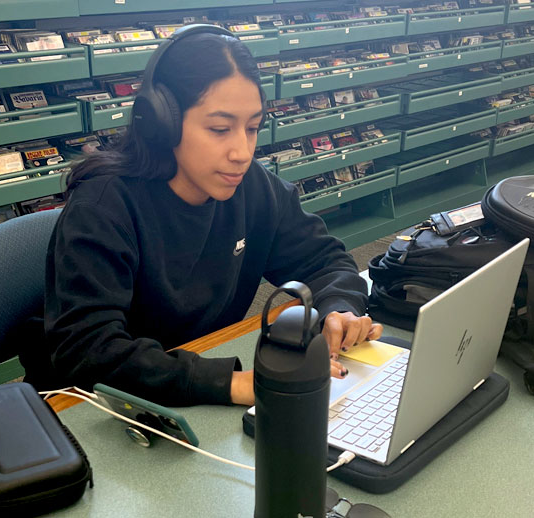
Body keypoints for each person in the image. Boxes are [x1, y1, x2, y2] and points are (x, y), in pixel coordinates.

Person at [29, 25, 381, 407]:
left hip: (194, 387)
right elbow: (89, 351)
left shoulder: (252, 187)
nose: (242, 152)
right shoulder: (103, 207)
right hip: (87, 407)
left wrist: (338, 309)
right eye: (220, 129)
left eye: (252, 128)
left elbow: (326, 260)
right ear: (162, 122)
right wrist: (232, 384)